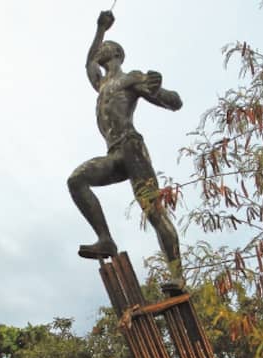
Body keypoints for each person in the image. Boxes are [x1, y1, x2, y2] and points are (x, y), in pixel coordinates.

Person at [67, 10, 185, 291]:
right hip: (114, 153)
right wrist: (100, 29)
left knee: (152, 210)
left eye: (105, 47)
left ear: (116, 53)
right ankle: (105, 239)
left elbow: (175, 102)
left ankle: (178, 276)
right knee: (77, 180)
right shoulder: (102, 84)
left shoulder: (131, 78)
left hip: (132, 148)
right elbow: (88, 64)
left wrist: (159, 87)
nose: (99, 51)